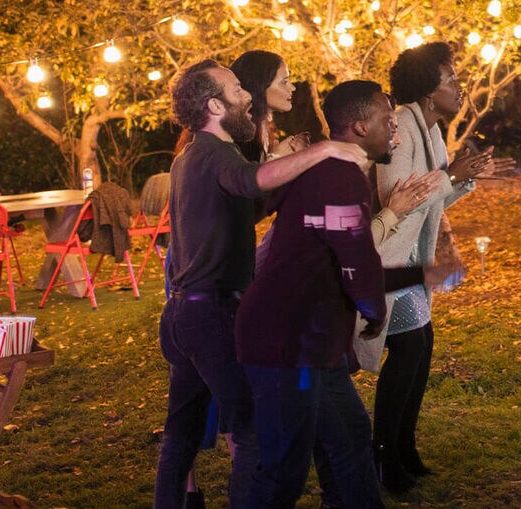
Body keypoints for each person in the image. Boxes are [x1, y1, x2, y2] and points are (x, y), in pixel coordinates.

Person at [155, 59, 367, 509]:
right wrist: (322, 151)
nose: (247, 96)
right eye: (236, 90)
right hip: (211, 314)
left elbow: (242, 208)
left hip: (182, 314)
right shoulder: (215, 153)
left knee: (182, 435)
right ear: (215, 105)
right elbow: (251, 181)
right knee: (252, 433)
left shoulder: (192, 157)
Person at [236, 80, 399, 508]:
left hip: (309, 342)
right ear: (361, 127)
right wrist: (374, 308)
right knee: (284, 468)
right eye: (387, 119)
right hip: (287, 342)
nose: (395, 127)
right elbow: (355, 253)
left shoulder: (333, 172)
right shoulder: (340, 176)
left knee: (347, 436)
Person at [372, 42, 507, 493]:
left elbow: (434, 200)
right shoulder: (404, 129)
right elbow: (399, 198)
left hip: (413, 256)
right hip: (390, 256)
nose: (459, 85)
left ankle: (404, 448)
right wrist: (449, 176)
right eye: (450, 78)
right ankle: (385, 457)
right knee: (409, 351)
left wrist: (464, 177)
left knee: (420, 348)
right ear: (429, 91)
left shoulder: (428, 129)